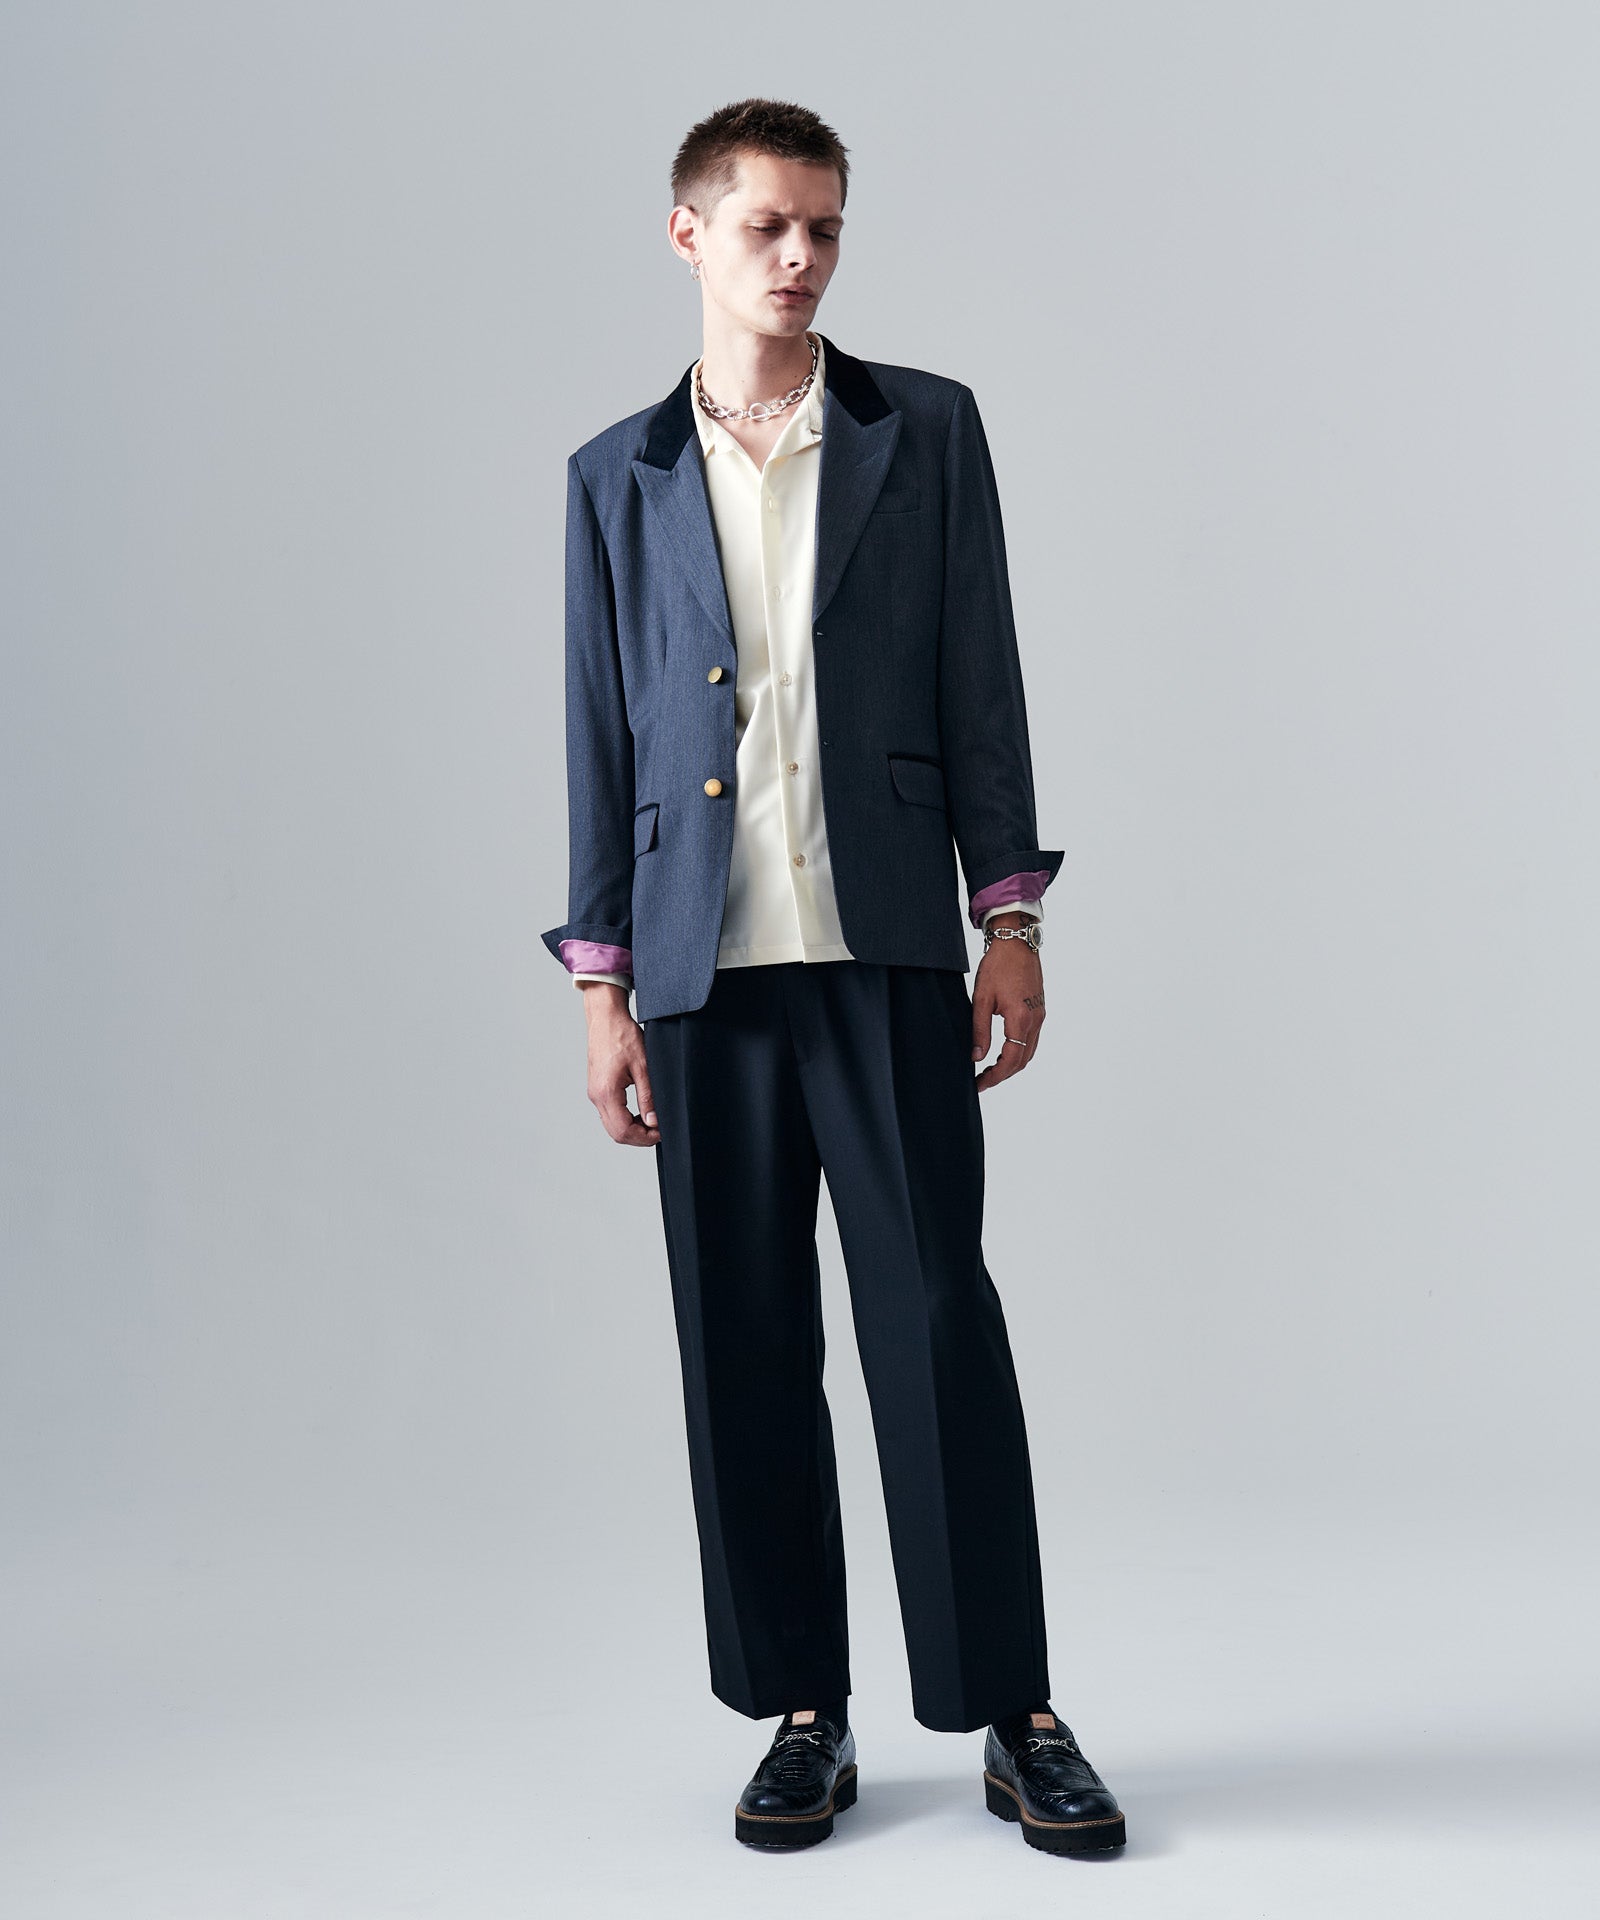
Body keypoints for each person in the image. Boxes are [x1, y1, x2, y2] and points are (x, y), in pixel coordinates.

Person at [542, 96, 1125, 1857]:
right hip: (700, 974)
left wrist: (1008, 918)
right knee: (742, 1344)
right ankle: (804, 1709)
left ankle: (1015, 1709)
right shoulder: (617, 475)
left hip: (883, 949)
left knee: (935, 1323)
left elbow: (981, 680)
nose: (801, 259)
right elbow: (600, 735)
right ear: (689, 235)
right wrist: (600, 986)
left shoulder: (921, 431)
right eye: (768, 227)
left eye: (826, 230)